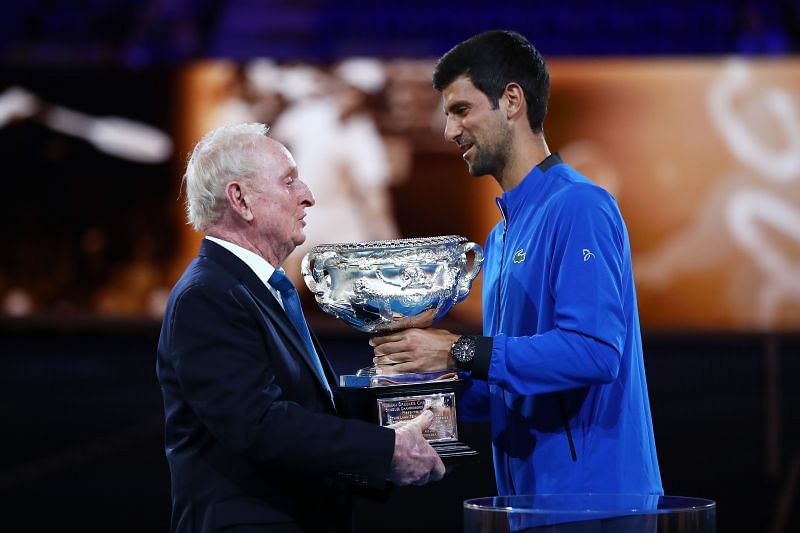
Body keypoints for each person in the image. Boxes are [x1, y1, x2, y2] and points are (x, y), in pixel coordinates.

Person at [371, 31, 662, 497]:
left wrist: (458, 351)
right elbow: (507, 380)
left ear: (511, 101)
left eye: (461, 110)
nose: (449, 132)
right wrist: (418, 389)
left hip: (596, 504)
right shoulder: (500, 236)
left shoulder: (580, 206)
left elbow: (595, 353)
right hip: (526, 503)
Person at [156, 122, 445, 533]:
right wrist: (386, 450)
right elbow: (260, 425)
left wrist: (400, 406)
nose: (308, 195)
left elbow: (308, 410)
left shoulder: (258, 289)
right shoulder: (207, 296)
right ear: (241, 199)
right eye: (289, 181)